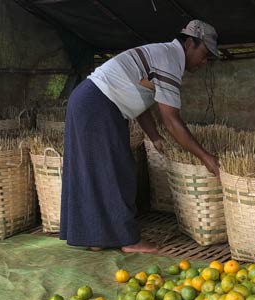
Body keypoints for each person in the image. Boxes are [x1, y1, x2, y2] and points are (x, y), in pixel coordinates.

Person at [59, 20, 221, 253]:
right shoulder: (169, 60)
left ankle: (97, 238)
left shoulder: (164, 55)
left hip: (91, 101)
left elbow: (142, 101)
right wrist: (206, 157)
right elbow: (172, 120)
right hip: (98, 104)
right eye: (204, 54)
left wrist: (154, 136)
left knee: (99, 170)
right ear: (189, 44)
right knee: (119, 169)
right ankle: (128, 240)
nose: (204, 62)